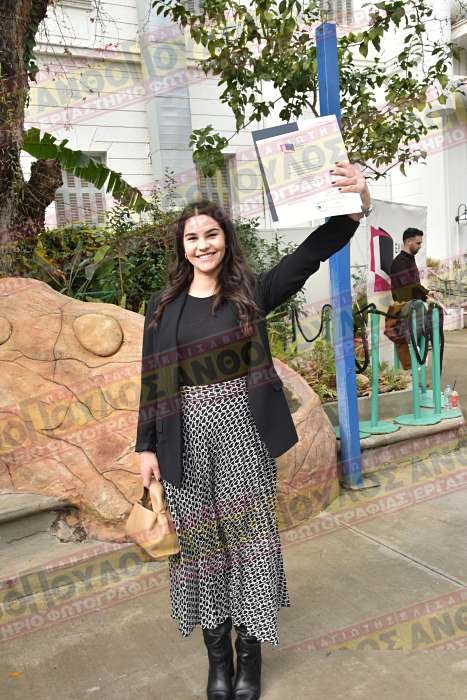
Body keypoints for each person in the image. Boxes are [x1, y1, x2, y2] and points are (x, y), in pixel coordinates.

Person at [135, 162, 370, 700]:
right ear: (181, 247)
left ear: (226, 238)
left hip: (242, 434)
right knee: (201, 548)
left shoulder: (252, 293)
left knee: (249, 544)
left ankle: (250, 661)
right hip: (183, 440)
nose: (202, 245)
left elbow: (311, 253)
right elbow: (151, 378)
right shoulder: (162, 306)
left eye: (211, 234)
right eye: (192, 238)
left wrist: (358, 202)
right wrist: (145, 446)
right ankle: (217, 661)